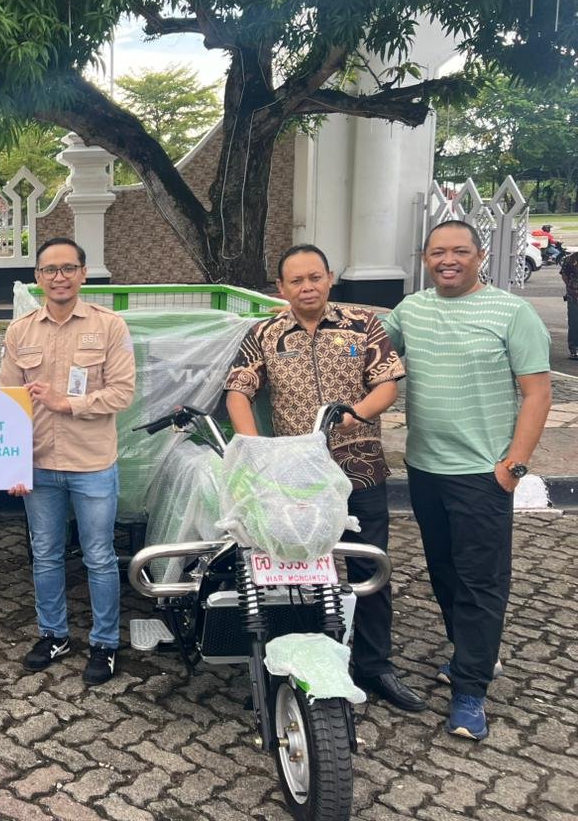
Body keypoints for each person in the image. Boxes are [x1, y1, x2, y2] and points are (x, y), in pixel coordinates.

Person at [224, 244, 425, 712]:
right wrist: (253, 451)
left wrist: (358, 414)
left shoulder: (362, 323)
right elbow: (238, 391)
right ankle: (299, 663)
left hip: (360, 468)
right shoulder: (265, 334)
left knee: (368, 567)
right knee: (297, 569)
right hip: (298, 476)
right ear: (282, 288)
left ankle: (374, 665)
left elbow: (387, 383)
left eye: (315, 277)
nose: (307, 287)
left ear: (330, 278)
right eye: (296, 280)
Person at [384, 219, 551, 741]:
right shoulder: (410, 310)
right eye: (438, 252)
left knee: (481, 580)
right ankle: (473, 654)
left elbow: (537, 393)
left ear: (480, 256)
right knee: (444, 572)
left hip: (483, 474)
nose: (448, 260)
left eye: (459, 251)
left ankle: (470, 690)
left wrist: (514, 465)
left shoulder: (512, 312)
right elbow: (361, 349)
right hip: (425, 468)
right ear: (425, 258)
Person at [0, 237, 135, 686]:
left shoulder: (109, 326)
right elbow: (7, 402)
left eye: (68, 268)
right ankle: (54, 635)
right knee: (45, 554)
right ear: (37, 277)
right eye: (50, 270)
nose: (59, 277)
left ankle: (105, 643)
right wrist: (14, 464)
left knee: (99, 556)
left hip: (92, 462)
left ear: (83, 273)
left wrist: (67, 403)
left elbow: (122, 393)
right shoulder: (20, 332)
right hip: (39, 464)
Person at [561, 249, 578, 360]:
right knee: (574, 322)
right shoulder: (571, 259)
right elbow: (564, 275)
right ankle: (574, 349)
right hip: (574, 296)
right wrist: (572, 288)